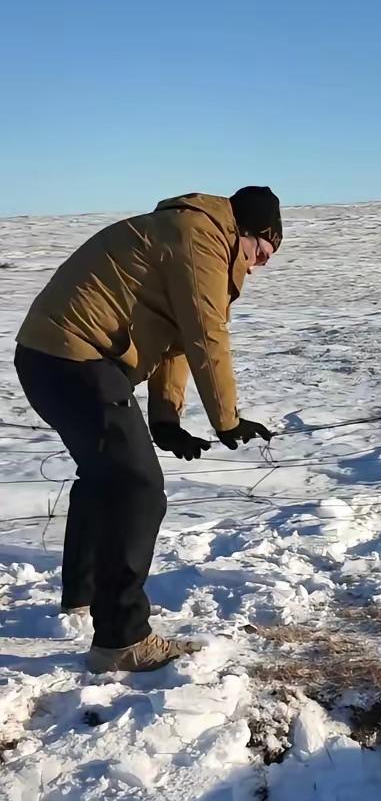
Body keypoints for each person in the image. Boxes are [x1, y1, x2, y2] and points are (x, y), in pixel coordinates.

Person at [13, 187, 282, 674]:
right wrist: (228, 419)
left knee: (106, 478)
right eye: (264, 250)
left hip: (53, 357)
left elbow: (176, 340)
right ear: (250, 231)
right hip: (73, 358)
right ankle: (122, 639)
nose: (262, 264)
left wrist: (166, 418)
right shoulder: (198, 235)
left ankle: (84, 596)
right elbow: (205, 331)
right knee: (138, 488)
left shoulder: (187, 232)